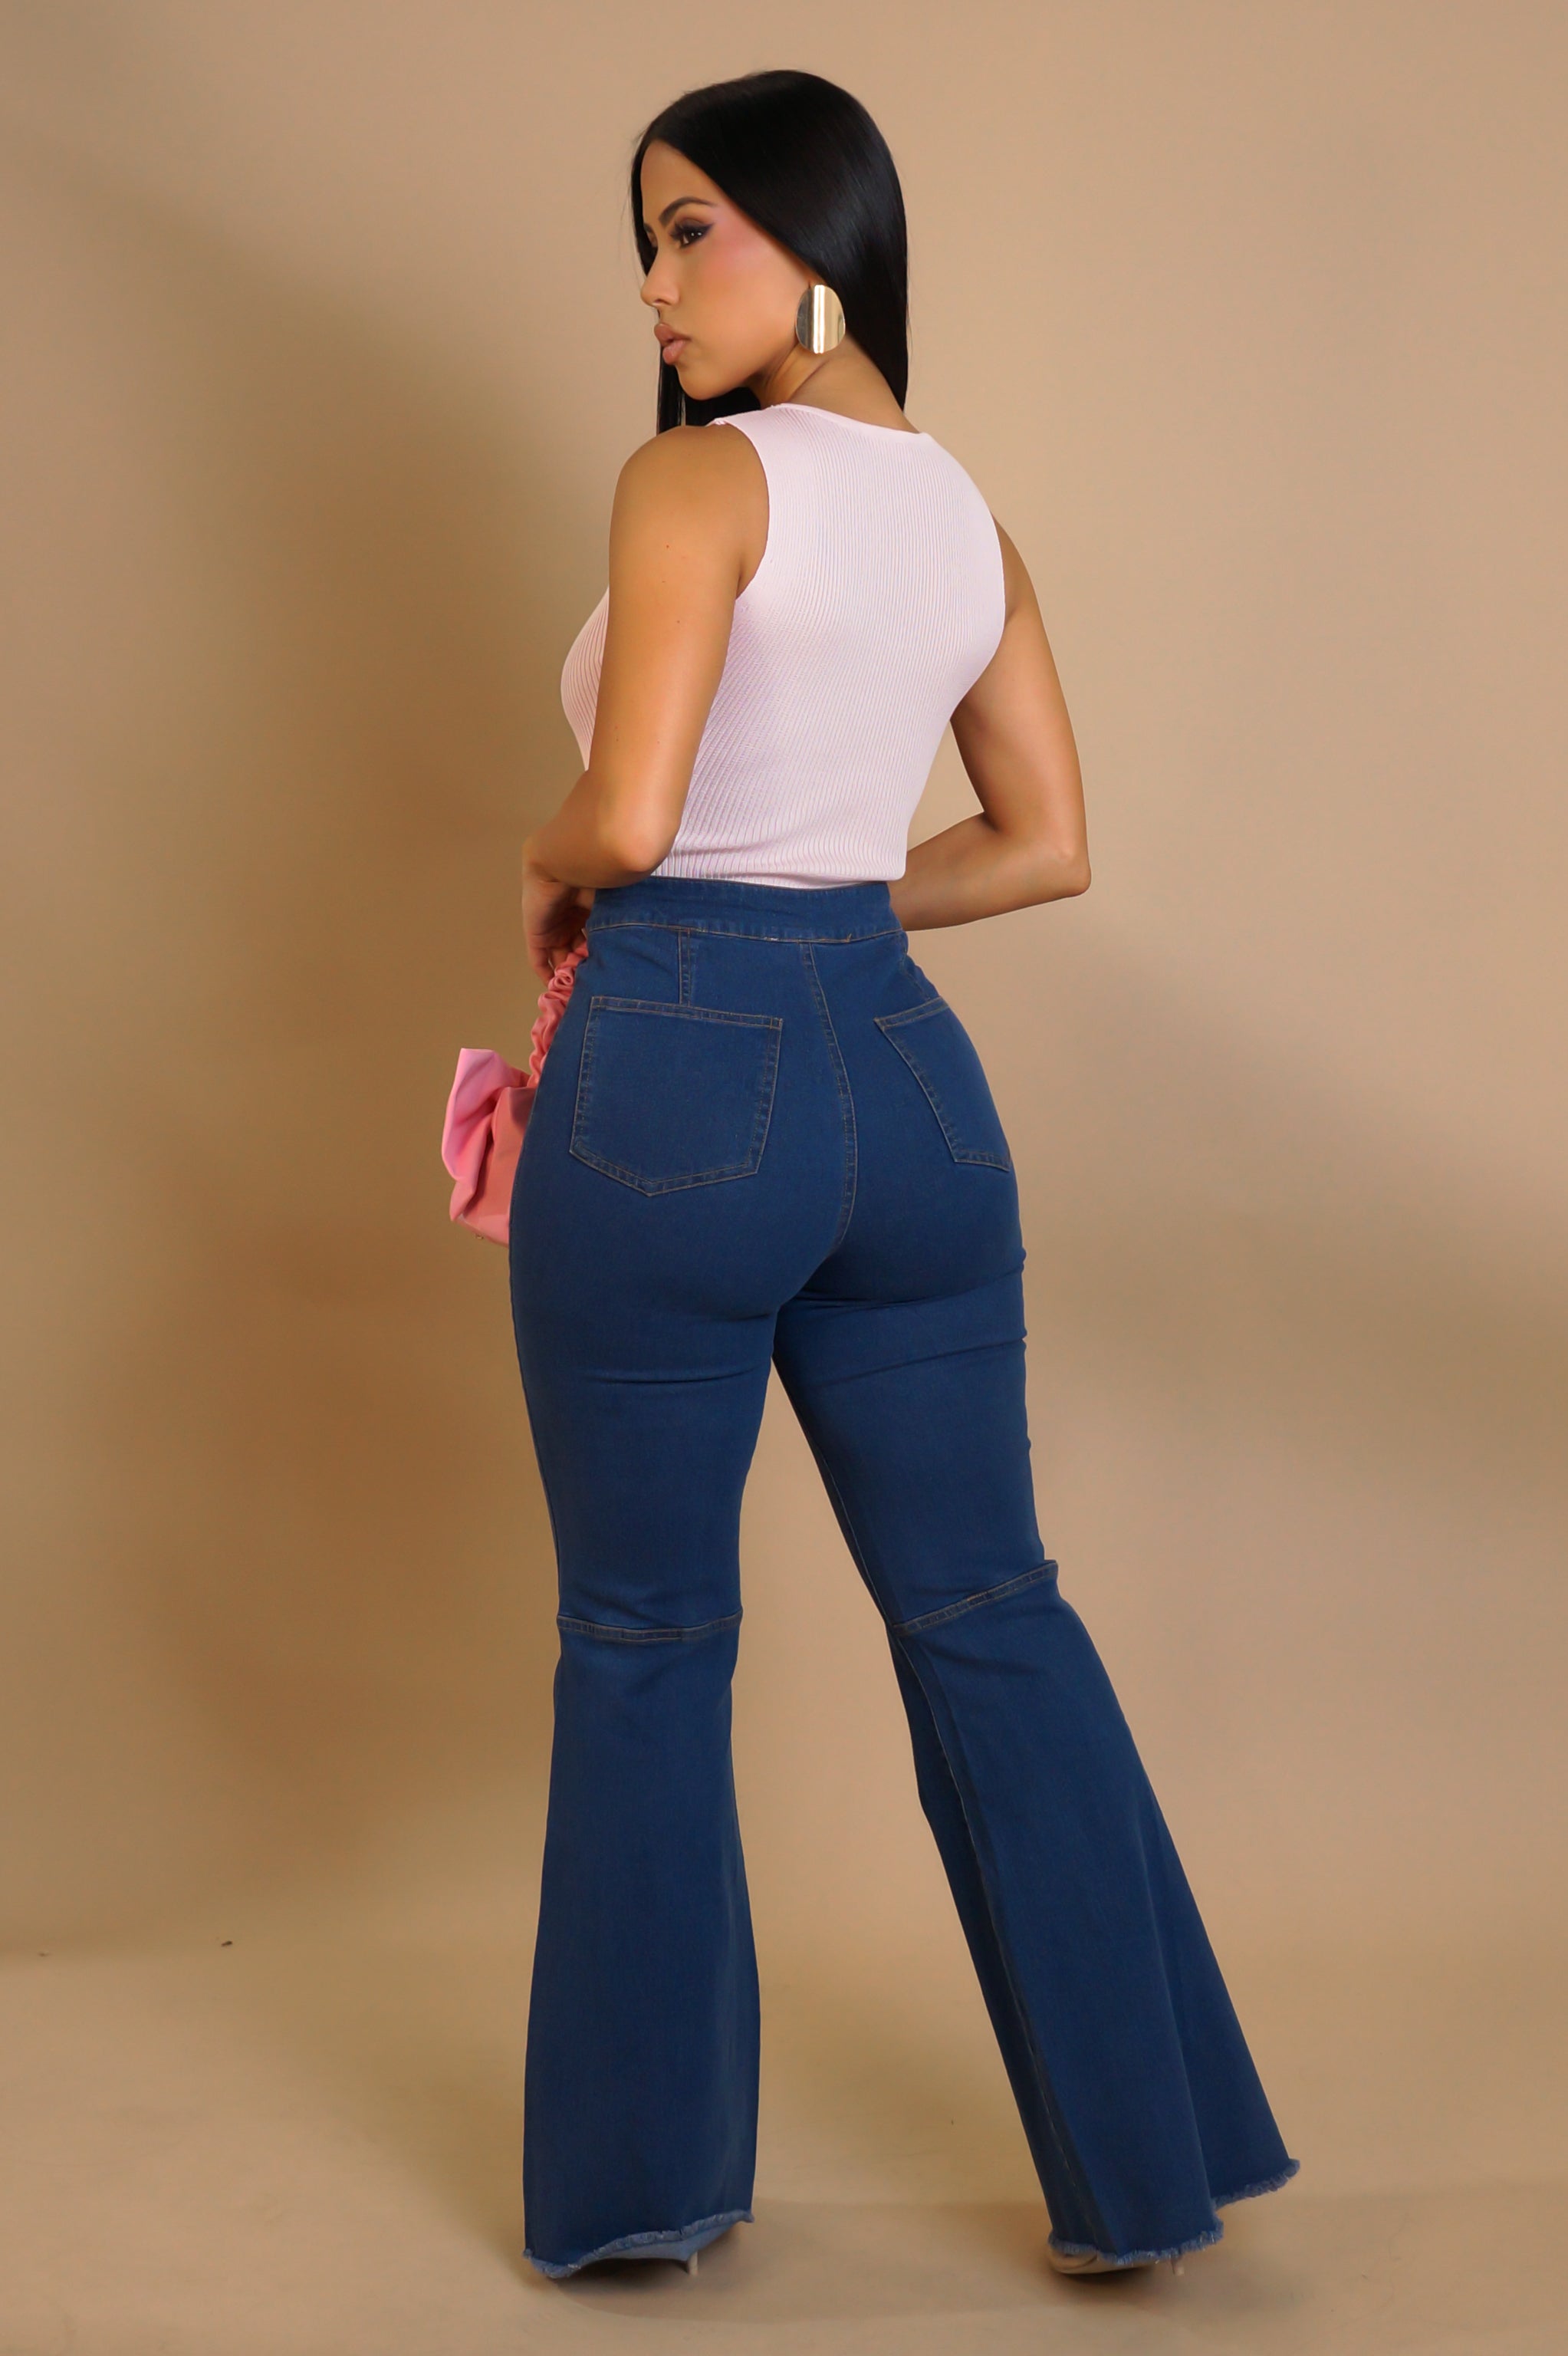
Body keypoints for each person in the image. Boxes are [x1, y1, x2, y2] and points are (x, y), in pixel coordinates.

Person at [506, 68, 1299, 2284]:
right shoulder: (967, 518)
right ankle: (1152, 2176)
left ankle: (645, 2200)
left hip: (675, 1083)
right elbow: (1045, 844)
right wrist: (842, 901)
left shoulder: (693, 483)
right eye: (646, 241)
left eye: (692, 229)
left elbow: (632, 815)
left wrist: (549, 865)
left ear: (823, 241)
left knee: (647, 1636)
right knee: (992, 1610)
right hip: (911, 1093)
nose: (655, 286)